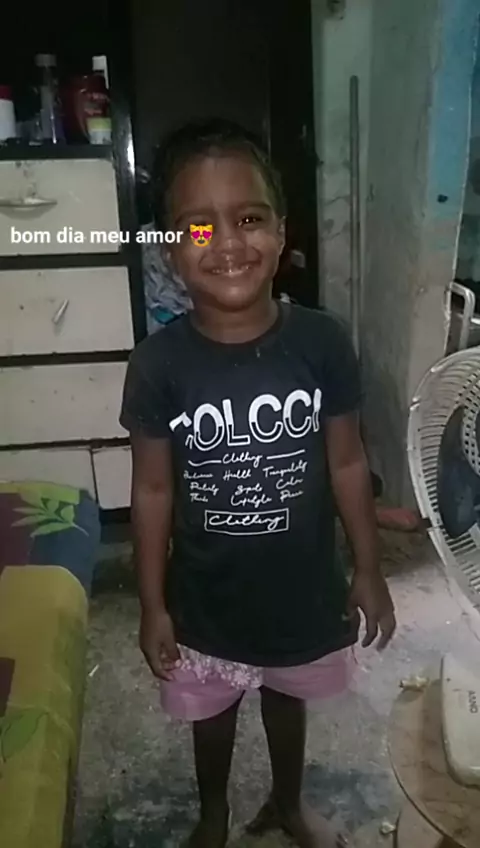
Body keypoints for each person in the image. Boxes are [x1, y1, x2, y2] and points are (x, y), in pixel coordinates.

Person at [120, 118, 396, 848]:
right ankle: (212, 815)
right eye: (198, 227)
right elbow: (152, 491)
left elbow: (346, 462)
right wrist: (152, 603)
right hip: (205, 596)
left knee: (285, 695)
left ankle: (287, 802)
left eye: (248, 219)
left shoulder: (322, 342)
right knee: (211, 714)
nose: (228, 243)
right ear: (170, 249)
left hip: (301, 586)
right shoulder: (157, 365)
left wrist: (368, 567)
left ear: (281, 231)